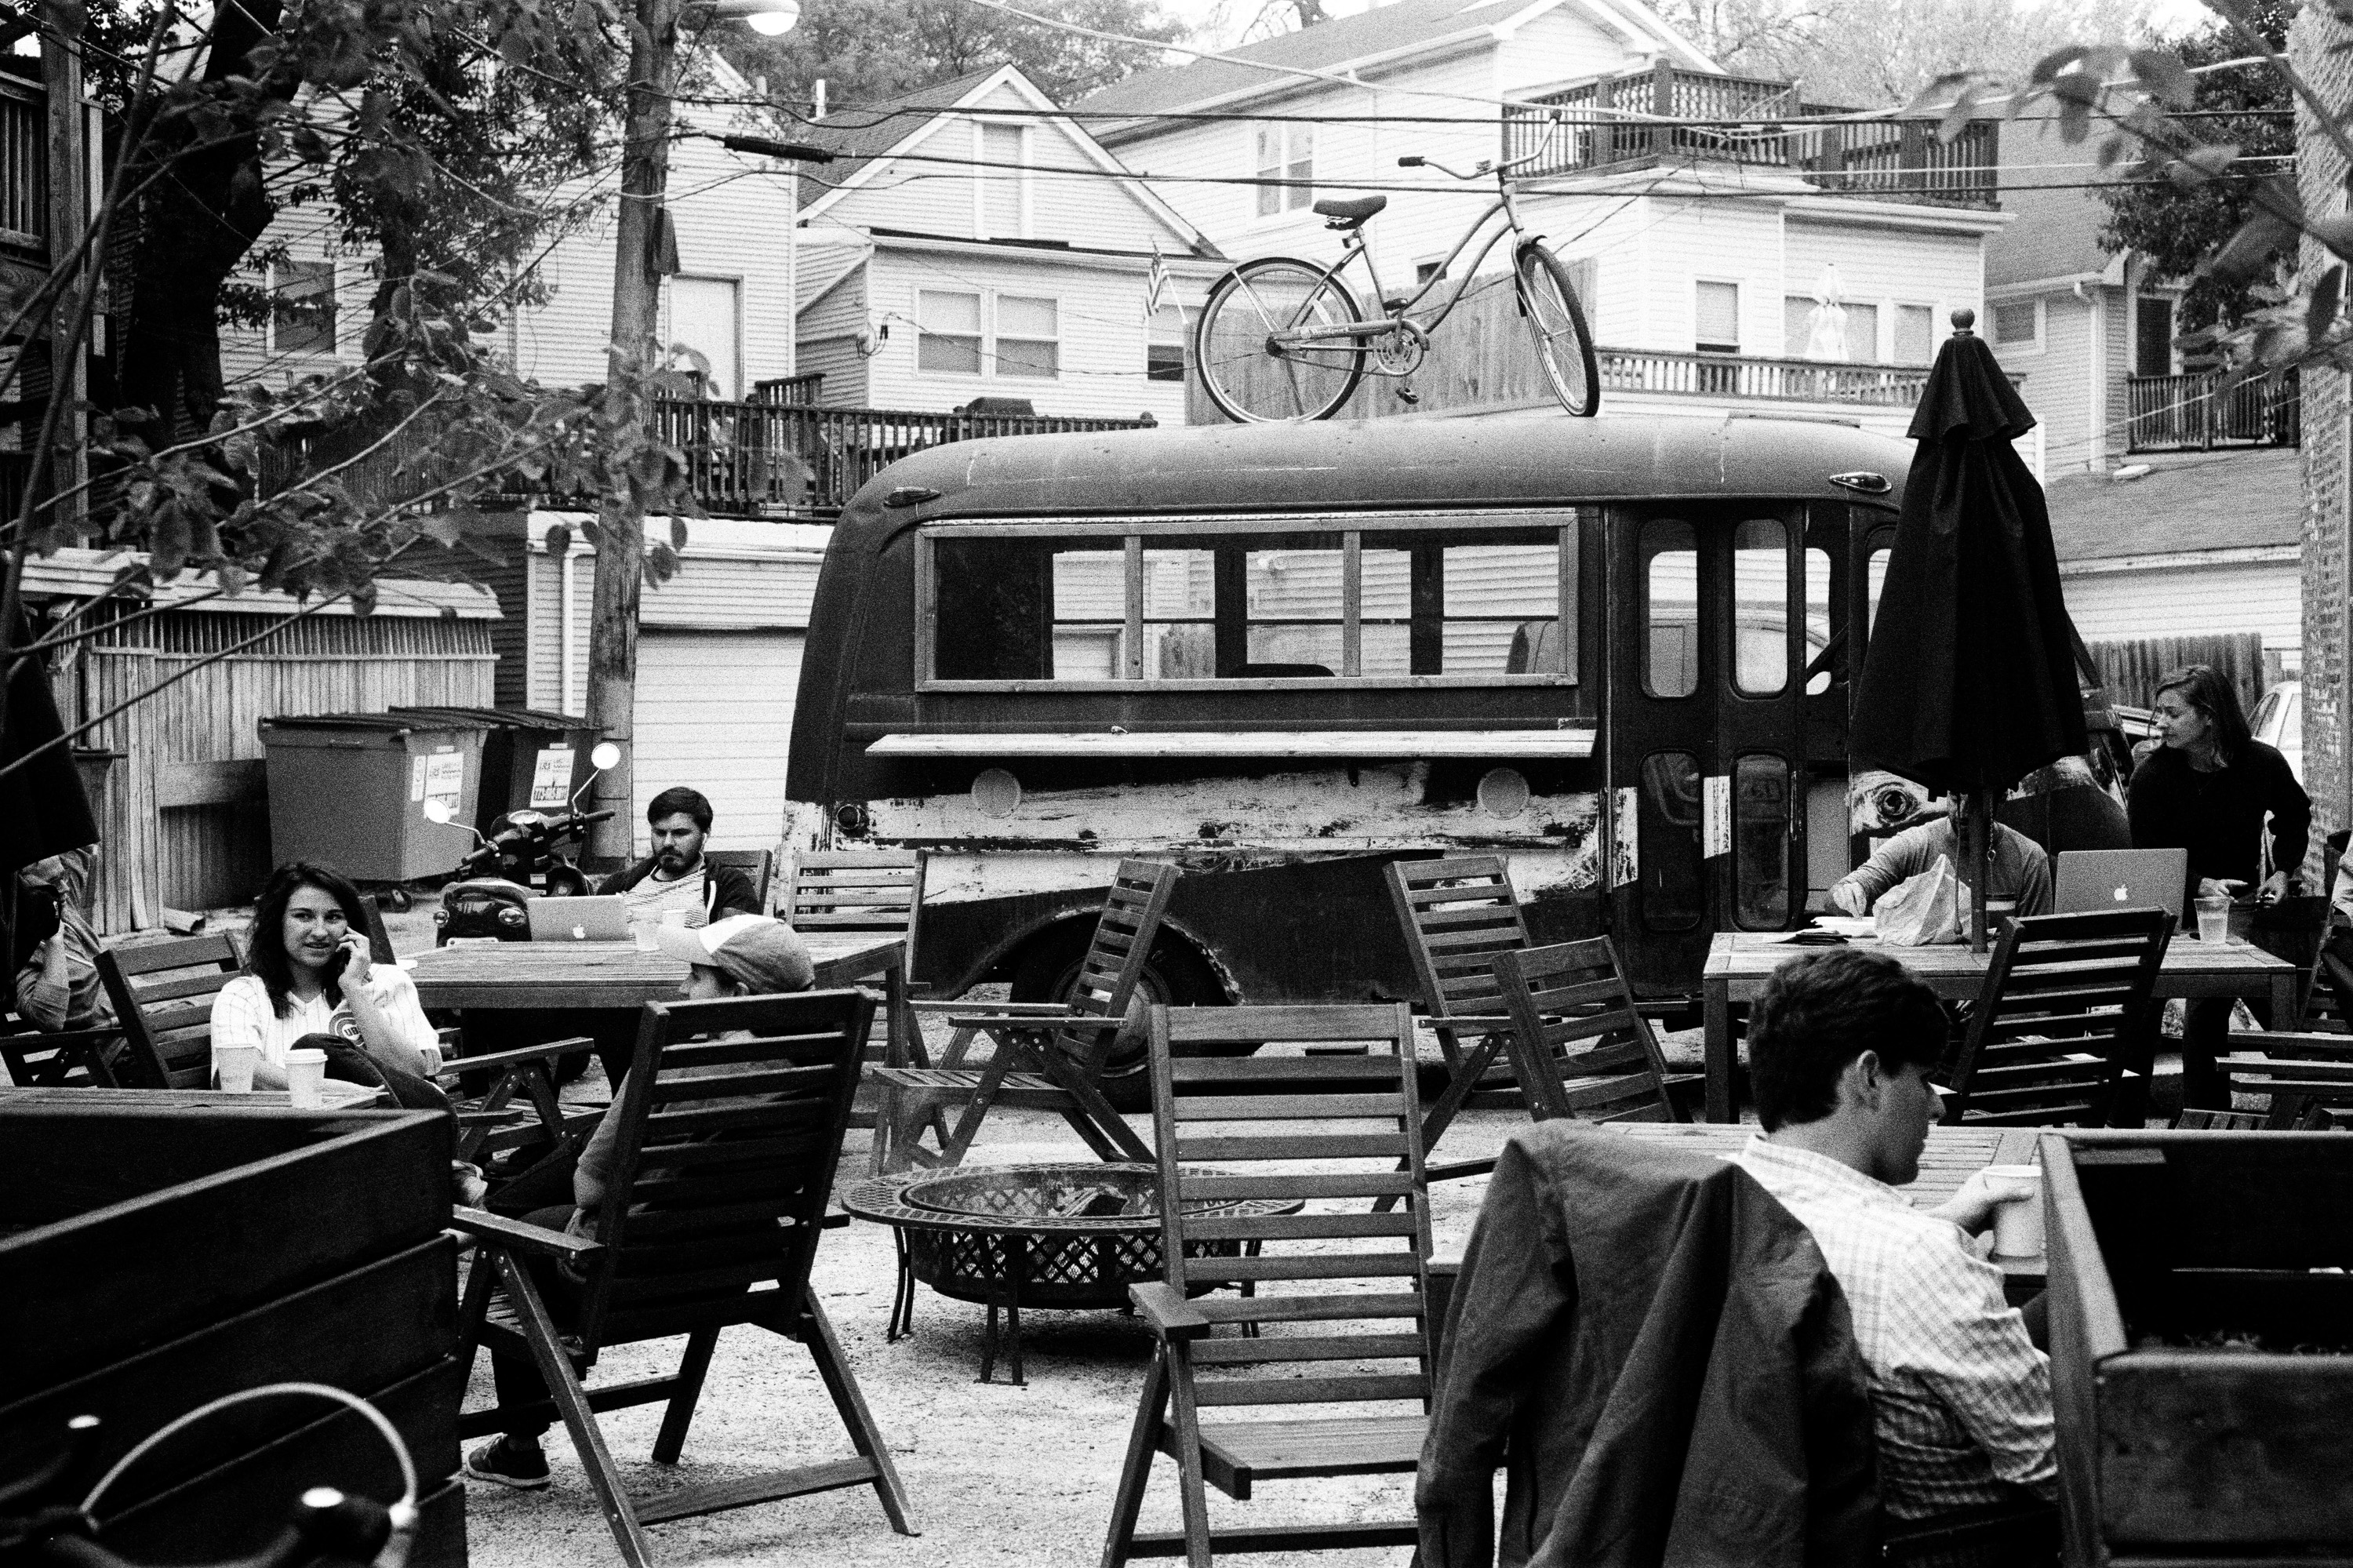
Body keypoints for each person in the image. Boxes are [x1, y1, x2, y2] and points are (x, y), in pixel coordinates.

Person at [464, 913, 812, 1491]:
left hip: (632, 1277)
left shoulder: (675, 1060)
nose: (682, 987)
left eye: (696, 977)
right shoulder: (812, 1066)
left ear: (737, 993)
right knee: (540, 1189)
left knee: (518, 1239)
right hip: (737, 1266)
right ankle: (485, 1207)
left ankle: (521, 1445)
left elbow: (590, 1189)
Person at [1732, 948, 2056, 1526]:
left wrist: (1943, 1219)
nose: (1935, 1107)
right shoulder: (1918, 1259)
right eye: (1925, 1079)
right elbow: (2059, 1469)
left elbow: (1848, 1248)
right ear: (1869, 1077)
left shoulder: (1716, 1206)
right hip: (1966, 1542)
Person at [2127, 665, 2311, 1108]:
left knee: (2209, 1013)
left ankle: (2209, 1123)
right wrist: (2201, 882)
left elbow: (2295, 815)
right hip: (2166, 908)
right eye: (2159, 713)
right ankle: (2123, 1125)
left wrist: (2283, 872)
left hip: (2234, 910)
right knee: (2141, 1015)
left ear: (2209, 715)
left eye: (2173, 713)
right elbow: (2148, 856)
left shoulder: (2261, 762)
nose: (2161, 723)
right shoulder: (2151, 777)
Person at [210, 862, 440, 1092]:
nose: (320, 932)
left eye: (333, 918)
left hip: (397, 1112)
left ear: (350, 927)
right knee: (315, 1045)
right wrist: (346, 1093)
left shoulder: (386, 981)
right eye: (303, 916)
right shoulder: (242, 996)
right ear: (276, 923)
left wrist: (353, 989)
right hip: (304, 1115)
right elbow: (240, 1071)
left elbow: (412, 1074)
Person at [1829, 809, 2052, 919]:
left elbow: (2037, 943)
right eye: (1955, 797)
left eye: (1976, 799)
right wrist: (1847, 894)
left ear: (2000, 798)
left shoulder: (2029, 857)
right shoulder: (1915, 844)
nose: (1963, 810)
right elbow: (1838, 895)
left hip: (1999, 983)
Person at [595, 786, 762, 926]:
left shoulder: (728, 884)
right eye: (660, 833)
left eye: (680, 833)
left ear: (705, 833)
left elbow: (737, 944)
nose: (667, 842)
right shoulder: (620, 884)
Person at [10, 847, 111, 1031]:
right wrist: (54, 940)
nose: (66, 888)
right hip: (113, 1042)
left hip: (139, 1026)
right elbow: (48, 1019)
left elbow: (79, 843)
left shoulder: (65, 906)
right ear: (25, 892)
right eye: (54, 883)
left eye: (64, 877)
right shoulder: (21, 949)